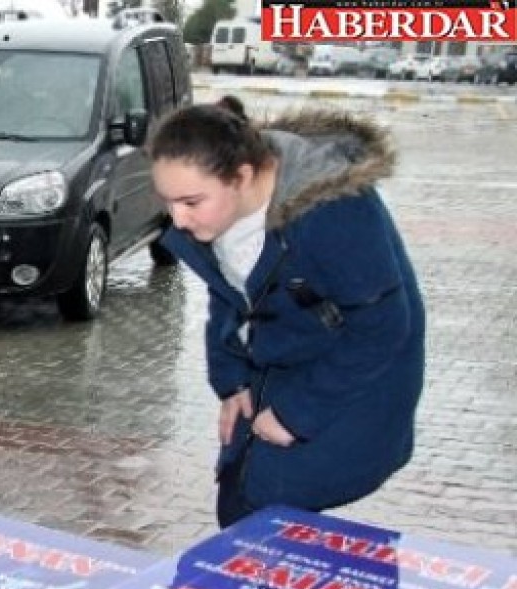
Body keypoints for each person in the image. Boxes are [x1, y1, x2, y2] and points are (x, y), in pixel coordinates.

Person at [147, 104, 425, 528]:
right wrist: (231, 379)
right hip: (281, 357)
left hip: (357, 372)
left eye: (190, 202)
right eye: (168, 202)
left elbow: (383, 328)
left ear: (242, 176)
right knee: (242, 501)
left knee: (262, 507)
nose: (177, 219)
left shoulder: (335, 213)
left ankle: (323, 587)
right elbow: (227, 293)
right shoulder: (220, 211)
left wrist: (298, 413)